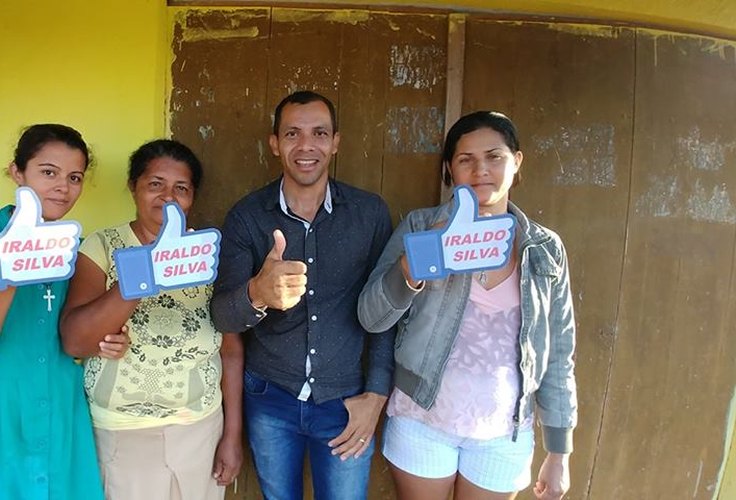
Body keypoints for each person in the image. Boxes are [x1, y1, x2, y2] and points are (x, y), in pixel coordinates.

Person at [358, 111, 577, 500]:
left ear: (516, 162)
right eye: (465, 160)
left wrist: (559, 451)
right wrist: (415, 263)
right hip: (422, 420)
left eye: (494, 156)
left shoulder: (545, 249)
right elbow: (371, 318)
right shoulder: (421, 228)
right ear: (449, 169)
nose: (481, 170)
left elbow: (559, 353)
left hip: (502, 433)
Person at [210, 90, 395, 500]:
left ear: (335, 142)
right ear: (275, 143)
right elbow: (223, 317)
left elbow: (386, 315)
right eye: (292, 133)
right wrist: (257, 293)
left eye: (319, 133)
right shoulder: (247, 216)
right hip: (270, 398)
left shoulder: (369, 214)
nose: (306, 145)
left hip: (346, 403)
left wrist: (376, 396)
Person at [60, 139, 242, 500]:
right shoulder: (102, 247)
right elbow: (75, 340)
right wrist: (146, 272)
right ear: (134, 187)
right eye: (155, 184)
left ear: (192, 197)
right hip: (121, 436)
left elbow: (231, 351)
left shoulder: (206, 256)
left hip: (200, 432)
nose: (167, 197)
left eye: (181, 188)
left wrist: (233, 435)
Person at [0, 123, 126, 500]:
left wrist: (108, 340)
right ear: (16, 172)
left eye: (74, 177)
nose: (62, 186)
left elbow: (80, 336)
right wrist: (13, 264)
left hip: (61, 408)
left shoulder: (81, 252)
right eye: (48, 172)